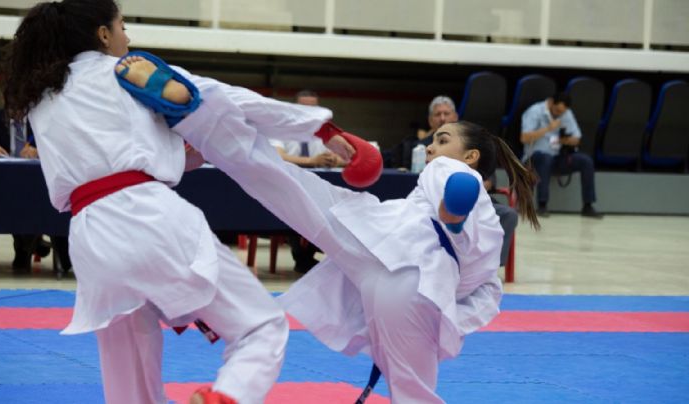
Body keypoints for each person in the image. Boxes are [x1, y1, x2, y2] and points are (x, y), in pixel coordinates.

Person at [113, 56, 539, 402]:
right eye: (433, 141)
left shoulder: (452, 174)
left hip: (391, 259)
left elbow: (455, 185)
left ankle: (204, 127)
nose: (431, 147)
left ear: (470, 158)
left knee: (282, 183)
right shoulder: (489, 227)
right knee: (414, 392)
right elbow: (481, 293)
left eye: (442, 140)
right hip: (413, 292)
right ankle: (205, 131)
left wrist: (453, 208)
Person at [2, 1, 289, 403]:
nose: (128, 36)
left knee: (130, 386)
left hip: (91, 237)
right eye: (122, 25)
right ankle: (229, 394)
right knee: (261, 325)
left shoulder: (42, 97)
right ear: (102, 34)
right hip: (150, 217)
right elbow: (191, 126)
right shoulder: (130, 73)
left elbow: (123, 154)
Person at [0, 107, 73, 273]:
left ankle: (41, 245)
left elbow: (64, 151)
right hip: (5, 187)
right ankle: (28, 245)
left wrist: (40, 151)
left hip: (43, 184)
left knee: (41, 196)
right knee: (20, 195)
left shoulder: (43, 119)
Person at [269, 90, 345, 273]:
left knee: (329, 210)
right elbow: (278, 156)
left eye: (313, 107)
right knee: (298, 208)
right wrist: (312, 161)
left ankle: (310, 257)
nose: (309, 112)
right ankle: (302, 257)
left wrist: (335, 160)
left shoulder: (324, 131)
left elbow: (347, 157)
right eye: (304, 107)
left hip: (317, 186)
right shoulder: (280, 128)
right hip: (286, 187)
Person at [520, 92, 602, 218]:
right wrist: (548, 128)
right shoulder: (535, 111)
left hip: (557, 157)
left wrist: (565, 140)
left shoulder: (566, 113)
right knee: (545, 159)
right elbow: (524, 138)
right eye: (557, 110)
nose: (559, 114)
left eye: (562, 112)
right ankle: (542, 205)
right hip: (534, 158)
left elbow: (577, 138)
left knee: (586, 161)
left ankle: (588, 205)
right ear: (551, 102)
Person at [387, 95, 458, 169]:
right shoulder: (419, 148)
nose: (442, 118)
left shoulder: (466, 144)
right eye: (437, 114)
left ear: (455, 117)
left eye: (446, 114)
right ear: (430, 120)